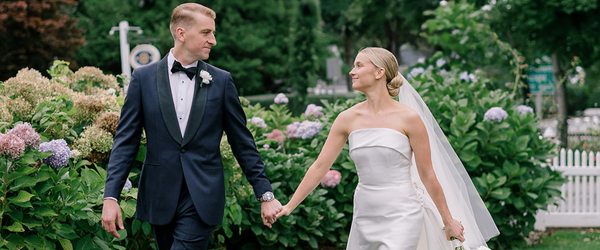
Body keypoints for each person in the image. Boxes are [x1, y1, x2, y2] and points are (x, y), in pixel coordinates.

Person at [276, 47, 499, 249]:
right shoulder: (346, 119)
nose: (352, 71)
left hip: (402, 210)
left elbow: (427, 173)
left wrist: (447, 219)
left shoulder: (409, 118)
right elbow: (319, 167)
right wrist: (289, 206)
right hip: (365, 212)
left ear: (379, 72)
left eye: (359, 65)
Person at [101, 3, 282, 249]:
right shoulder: (143, 79)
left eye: (213, 33)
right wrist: (111, 196)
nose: (214, 40)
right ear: (181, 34)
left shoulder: (221, 81)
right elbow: (125, 141)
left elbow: (242, 143)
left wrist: (265, 194)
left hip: (202, 196)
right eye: (206, 33)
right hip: (159, 195)